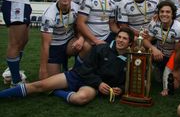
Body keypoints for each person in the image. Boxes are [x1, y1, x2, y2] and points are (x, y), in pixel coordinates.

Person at [0, 27, 134, 106]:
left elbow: (124, 81)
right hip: (78, 76)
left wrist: (120, 89)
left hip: (92, 86)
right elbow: (85, 69)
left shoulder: (129, 61)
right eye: (119, 37)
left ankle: (55, 91)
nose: (120, 40)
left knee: (80, 99)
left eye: (124, 39)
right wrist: (99, 83)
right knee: (39, 86)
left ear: (130, 43)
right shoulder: (101, 48)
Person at [39, 0, 84, 79]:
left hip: (69, 43)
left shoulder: (76, 9)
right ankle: (63, 67)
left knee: (85, 45)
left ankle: (77, 70)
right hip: (54, 46)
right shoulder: (49, 15)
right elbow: (45, 45)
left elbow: (81, 27)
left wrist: (81, 39)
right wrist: (43, 69)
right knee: (53, 83)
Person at [76, 0, 118, 64]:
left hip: (107, 37)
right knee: (86, 48)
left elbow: (112, 25)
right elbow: (80, 23)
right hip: (91, 38)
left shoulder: (112, 3)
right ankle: (77, 67)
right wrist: (95, 40)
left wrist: (124, 33)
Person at [144, 0, 180, 81]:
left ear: (172, 14)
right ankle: (146, 75)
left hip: (172, 56)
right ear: (158, 13)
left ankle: (170, 71)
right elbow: (145, 40)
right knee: (141, 48)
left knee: (175, 86)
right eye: (162, 11)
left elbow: (178, 52)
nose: (164, 14)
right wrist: (154, 49)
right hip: (158, 54)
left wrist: (175, 69)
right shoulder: (155, 23)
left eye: (167, 12)